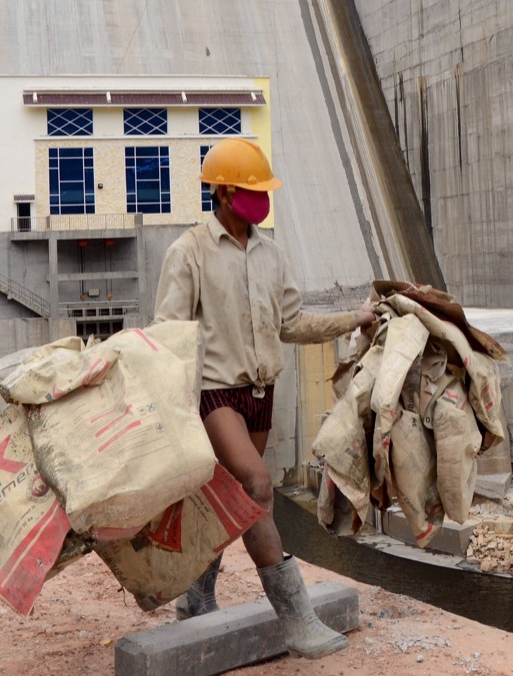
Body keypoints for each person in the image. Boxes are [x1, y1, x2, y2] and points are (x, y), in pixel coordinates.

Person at [153, 138, 371, 659]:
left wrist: (354, 319)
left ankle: (197, 595)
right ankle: (296, 619)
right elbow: (168, 330)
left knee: (229, 495)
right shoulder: (190, 252)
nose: (261, 201)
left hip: (260, 394)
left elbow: (293, 323)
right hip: (214, 394)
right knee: (256, 485)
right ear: (225, 194)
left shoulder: (271, 255)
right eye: (252, 192)